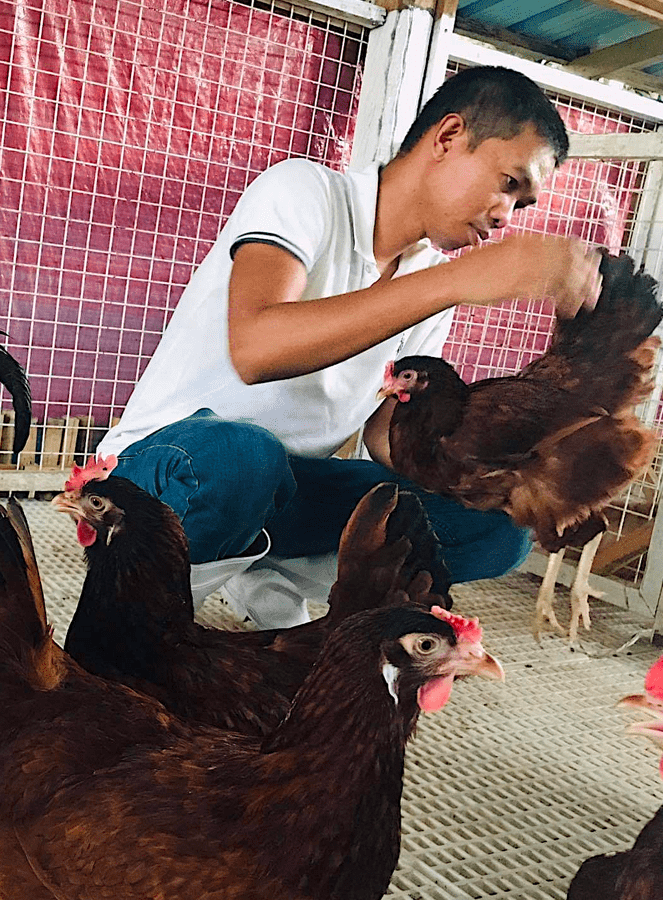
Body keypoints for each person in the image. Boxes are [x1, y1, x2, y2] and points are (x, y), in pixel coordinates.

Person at [96, 65, 603, 628]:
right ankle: (140, 623)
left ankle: (266, 572)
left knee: (496, 528)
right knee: (246, 456)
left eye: (522, 205)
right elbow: (256, 348)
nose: (506, 216)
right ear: (449, 137)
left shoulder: (429, 278)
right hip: (165, 472)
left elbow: (384, 434)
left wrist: (491, 471)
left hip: (290, 489)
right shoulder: (305, 191)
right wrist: (458, 282)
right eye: (508, 183)